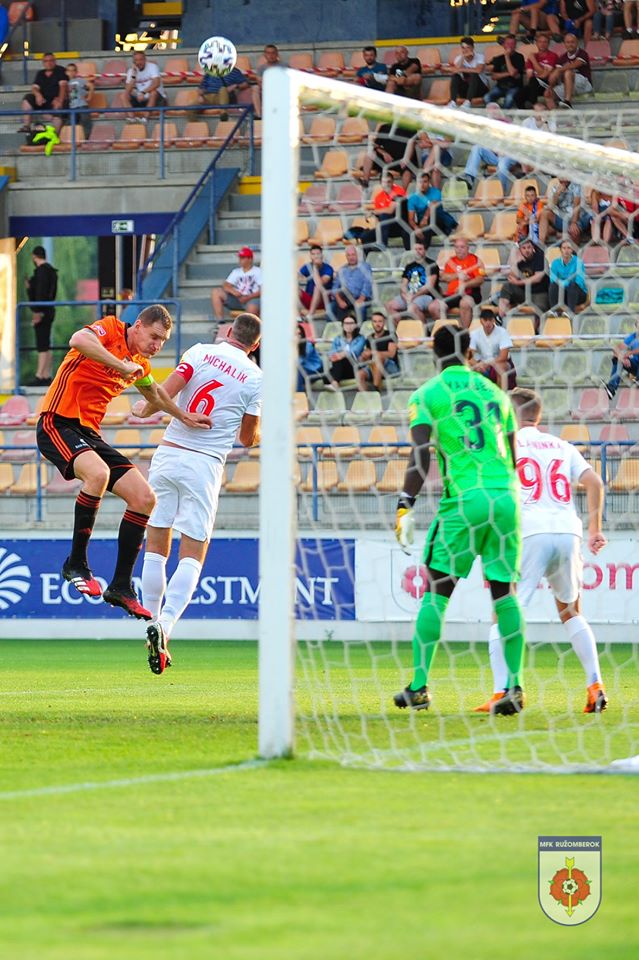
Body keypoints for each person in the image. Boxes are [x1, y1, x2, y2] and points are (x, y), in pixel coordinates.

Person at [35, 305, 212, 619]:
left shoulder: (140, 365)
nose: (157, 345)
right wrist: (120, 364)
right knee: (98, 474)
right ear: (138, 325)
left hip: (89, 433)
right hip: (56, 422)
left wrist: (183, 416)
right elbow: (78, 339)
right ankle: (76, 563)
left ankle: (120, 586)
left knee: (145, 498)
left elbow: (155, 394)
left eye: (163, 341)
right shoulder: (111, 329)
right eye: (154, 337)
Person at [393, 323, 526, 716]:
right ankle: (514, 686)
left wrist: (405, 503)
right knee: (504, 592)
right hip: (506, 498)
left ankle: (419, 687)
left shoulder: (427, 394)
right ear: (470, 350)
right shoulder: (497, 393)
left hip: (466, 498)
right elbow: (514, 456)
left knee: (437, 590)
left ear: (433, 353)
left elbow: (421, 454)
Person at [136, 313, 261, 674]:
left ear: (228, 332)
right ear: (255, 345)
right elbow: (246, 438)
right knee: (192, 554)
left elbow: (164, 391)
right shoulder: (256, 377)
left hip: (168, 453)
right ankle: (165, 626)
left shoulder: (200, 351)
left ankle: (151, 622)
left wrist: (145, 408)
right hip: (204, 465)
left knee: (156, 545)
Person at [475, 387, 608, 714]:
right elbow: (595, 482)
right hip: (567, 531)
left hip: (528, 531)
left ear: (510, 413)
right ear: (539, 415)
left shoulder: (505, 444)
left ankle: (502, 691)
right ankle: (595, 686)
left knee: (503, 610)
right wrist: (595, 529)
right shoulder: (562, 445)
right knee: (571, 611)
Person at [431, 237, 486, 329]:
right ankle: (447, 331)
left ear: (468, 248)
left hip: (469, 293)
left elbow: (480, 279)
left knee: (464, 303)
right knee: (433, 307)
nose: (459, 250)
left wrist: (465, 285)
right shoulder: (451, 261)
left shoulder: (475, 260)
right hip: (452, 294)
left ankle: (465, 332)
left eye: (462, 247)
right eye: (456, 247)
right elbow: (444, 277)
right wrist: (458, 275)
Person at [386, 238, 441, 329]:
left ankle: (424, 331)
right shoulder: (409, 266)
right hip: (409, 295)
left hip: (426, 296)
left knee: (412, 308)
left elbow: (429, 286)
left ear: (425, 250)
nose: (417, 252)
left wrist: (413, 296)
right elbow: (403, 284)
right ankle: (400, 330)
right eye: (415, 249)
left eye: (420, 249)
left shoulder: (431, 264)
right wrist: (404, 295)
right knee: (389, 305)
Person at [25, 245, 58, 386]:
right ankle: (46, 375)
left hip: (42, 311)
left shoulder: (40, 273)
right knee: (46, 344)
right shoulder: (52, 271)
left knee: (42, 344)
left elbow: (40, 293)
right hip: (49, 310)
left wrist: (37, 312)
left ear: (34, 256)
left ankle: (40, 375)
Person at [497, 238, 549, 324]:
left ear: (533, 248)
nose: (526, 250)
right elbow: (513, 273)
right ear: (520, 250)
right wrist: (500, 270)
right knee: (507, 287)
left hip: (540, 293)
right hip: (524, 293)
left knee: (540, 308)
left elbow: (538, 278)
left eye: (529, 247)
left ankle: (535, 328)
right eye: (524, 248)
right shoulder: (520, 261)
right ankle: (500, 318)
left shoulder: (540, 257)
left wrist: (518, 282)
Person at [356, 170, 410, 251]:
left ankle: (382, 244)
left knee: (384, 215)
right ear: (380, 183)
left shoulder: (399, 191)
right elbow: (378, 219)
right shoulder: (379, 197)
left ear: (393, 182)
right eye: (384, 182)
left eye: (389, 182)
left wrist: (372, 212)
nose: (387, 184)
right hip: (386, 229)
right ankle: (369, 257)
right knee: (365, 236)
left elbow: (390, 210)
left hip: (401, 225)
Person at [19, 52, 68, 134]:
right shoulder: (40, 73)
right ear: (43, 63)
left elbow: (63, 86)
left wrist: (60, 100)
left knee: (60, 108)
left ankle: (55, 135)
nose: (49, 63)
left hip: (55, 101)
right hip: (43, 101)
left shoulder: (60, 70)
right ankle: (26, 126)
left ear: (55, 61)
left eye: (51, 61)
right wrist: (38, 95)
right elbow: (34, 87)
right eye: (46, 61)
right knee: (28, 97)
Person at [470, 307, 517, 390]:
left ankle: (501, 395)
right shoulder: (474, 334)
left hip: (499, 362)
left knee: (499, 367)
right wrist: (478, 365)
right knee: (472, 367)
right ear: (481, 321)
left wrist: (488, 363)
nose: (488, 323)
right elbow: (469, 355)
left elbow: (503, 357)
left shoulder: (502, 332)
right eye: (485, 320)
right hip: (482, 363)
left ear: (494, 320)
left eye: (490, 320)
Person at [406, 171, 457, 249]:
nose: (422, 185)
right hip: (425, 225)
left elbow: (433, 205)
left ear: (429, 182)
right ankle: (422, 250)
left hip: (439, 223)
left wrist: (425, 217)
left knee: (436, 211)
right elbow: (411, 219)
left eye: (425, 182)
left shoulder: (436, 192)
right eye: (420, 182)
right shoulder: (413, 198)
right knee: (424, 227)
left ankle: (453, 228)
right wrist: (416, 228)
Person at [211, 247, 262, 322]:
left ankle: (249, 327)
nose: (240, 260)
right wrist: (234, 292)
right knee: (216, 292)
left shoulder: (258, 271)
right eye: (240, 258)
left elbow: (263, 290)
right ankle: (220, 321)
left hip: (252, 299)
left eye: (243, 258)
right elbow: (226, 285)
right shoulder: (236, 271)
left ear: (250, 259)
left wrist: (248, 297)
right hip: (237, 299)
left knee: (252, 307)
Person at [543, 32, 592, 109]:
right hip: (568, 85)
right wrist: (550, 86)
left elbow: (575, 65)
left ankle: (567, 101)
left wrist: (558, 70)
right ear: (564, 44)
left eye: (572, 42)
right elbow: (556, 76)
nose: (570, 44)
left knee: (568, 72)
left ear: (577, 43)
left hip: (584, 84)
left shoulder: (582, 53)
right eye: (568, 42)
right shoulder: (562, 58)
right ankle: (554, 115)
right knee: (548, 94)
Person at [539, 178, 592, 244]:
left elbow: (577, 206)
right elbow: (550, 207)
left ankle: (571, 245)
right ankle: (541, 244)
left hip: (576, 218)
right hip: (562, 218)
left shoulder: (576, 186)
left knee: (574, 231)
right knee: (544, 213)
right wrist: (557, 193)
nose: (563, 179)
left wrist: (573, 223)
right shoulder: (555, 187)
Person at [356, 311, 400, 391]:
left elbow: (391, 354)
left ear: (384, 322)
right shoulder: (369, 338)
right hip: (374, 366)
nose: (377, 324)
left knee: (378, 357)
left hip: (391, 367)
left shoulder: (391, 335)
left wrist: (373, 353)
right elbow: (368, 356)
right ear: (372, 323)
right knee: (360, 374)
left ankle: (376, 389)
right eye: (375, 321)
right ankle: (365, 396)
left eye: (380, 321)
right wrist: (364, 356)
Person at [443, 36, 489, 108]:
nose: (465, 50)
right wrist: (463, 57)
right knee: (455, 76)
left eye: (468, 47)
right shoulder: (459, 58)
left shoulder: (480, 57)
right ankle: (453, 102)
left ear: (472, 48)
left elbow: (478, 70)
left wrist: (461, 69)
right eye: (463, 48)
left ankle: (468, 102)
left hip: (480, 89)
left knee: (474, 75)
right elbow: (455, 71)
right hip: (466, 90)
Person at [333, 245, 373, 324]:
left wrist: (361, 299)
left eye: (353, 255)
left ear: (357, 255)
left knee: (360, 308)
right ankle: (341, 328)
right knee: (331, 307)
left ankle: (359, 329)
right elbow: (335, 287)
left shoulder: (365, 266)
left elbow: (367, 284)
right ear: (346, 257)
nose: (351, 257)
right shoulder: (342, 269)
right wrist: (339, 301)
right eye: (349, 255)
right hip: (345, 297)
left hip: (360, 297)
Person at [601, 316, 639, 399]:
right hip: (636, 366)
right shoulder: (632, 337)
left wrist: (630, 353)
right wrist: (622, 359)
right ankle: (611, 388)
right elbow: (616, 349)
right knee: (617, 359)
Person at [484, 34, 525, 109]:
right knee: (487, 97)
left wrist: (507, 56)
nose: (510, 46)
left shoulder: (519, 57)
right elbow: (494, 76)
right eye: (508, 43)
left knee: (509, 99)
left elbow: (513, 73)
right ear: (504, 45)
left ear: (515, 45)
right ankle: (495, 113)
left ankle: (503, 115)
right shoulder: (498, 59)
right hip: (500, 87)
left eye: (512, 44)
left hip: (514, 87)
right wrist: (509, 73)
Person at [124, 51, 167, 122]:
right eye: (136, 60)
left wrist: (143, 92)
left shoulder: (152, 66)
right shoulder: (131, 71)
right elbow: (127, 91)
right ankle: (132, 118)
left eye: (141, 59)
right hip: (141, 99)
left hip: (157, 99)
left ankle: (145, 119)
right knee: (123, 95)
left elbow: (157, 83)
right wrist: (133, 76)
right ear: (133, 62)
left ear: (145, 60)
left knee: (153, 92)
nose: (139, 62)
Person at [548, 238, 589, 312]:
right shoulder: (555, 263)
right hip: (563, 293)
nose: (566, 250)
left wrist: (565, 283)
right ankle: (553, 311)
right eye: (564, 248)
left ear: (572, 249)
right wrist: (562, 283)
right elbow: (553, 279)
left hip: (578, 294)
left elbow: (579, 281)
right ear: (560, 250)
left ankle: (570, 312)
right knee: (553, 285)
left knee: (573, 285)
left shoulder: (578, 262)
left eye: (569, 248)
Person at [326, 316, 366, 389]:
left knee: (340, 360)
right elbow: (331, 353)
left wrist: (342, 354)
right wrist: (340, 355)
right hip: (340, 366)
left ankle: (335, 384)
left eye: (351, 323)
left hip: (354, 367)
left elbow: (355, 351)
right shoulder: (338, 338)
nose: (349, 326)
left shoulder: (361, 338)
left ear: (355, 325)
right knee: (326, 376)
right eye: (346, 323)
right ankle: (335, 383)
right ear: (342, 325)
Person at [521, 33, 559, 106]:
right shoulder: (533, 55)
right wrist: (541, 73)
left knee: (534, 80)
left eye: (545, 42)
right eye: (540, 42)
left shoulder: (552, 56)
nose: (542, 44)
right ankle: (529, 111)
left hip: (547, 85)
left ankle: (534, 105)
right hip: (534, 85)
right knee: (518, 95)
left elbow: (545, 76)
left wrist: (533, 60)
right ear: (536, 43)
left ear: (548, 44)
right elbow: (529, 76)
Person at [299, 245, 335, 319]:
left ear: (322, 255)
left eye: (318, 254)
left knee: (318, 287)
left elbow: (319, 283)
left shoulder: (328, 268)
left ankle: (310, 315)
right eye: (313, 254)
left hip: (323, 300)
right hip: (310, 299)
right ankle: (298, 314)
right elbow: (297, 276)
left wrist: (315, 267)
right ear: (310, 256)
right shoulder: (307, 266)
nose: (316, 256)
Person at [251, 43, 281, 117]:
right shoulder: (261, 68)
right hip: (266, 88)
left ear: (277, 54)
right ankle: (259, 115)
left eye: (273, 53)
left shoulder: (284, 66)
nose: (271, 55)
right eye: (268, 53)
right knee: (255, 88)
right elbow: (259, 82)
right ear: (265, 55)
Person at [65, 62, 93, 138]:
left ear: (76, 72)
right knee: (70, 123)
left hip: (82, 105)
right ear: (66, 72)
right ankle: (73, 139)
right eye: (69, 70)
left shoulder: (80, 80)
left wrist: (89, 97)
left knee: (85, 121)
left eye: (73, 70)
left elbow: (90, 85)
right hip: (72, 107)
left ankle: (86, 139)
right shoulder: (66, 83)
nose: (71, 72)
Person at [297, 323, 325, 392]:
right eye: (295, 334)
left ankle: (299, 395)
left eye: (299, 334)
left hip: (315, 371)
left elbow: (299, 362)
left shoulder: (308, 345)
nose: (297, 336)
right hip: (304, 371)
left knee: (297, 371)